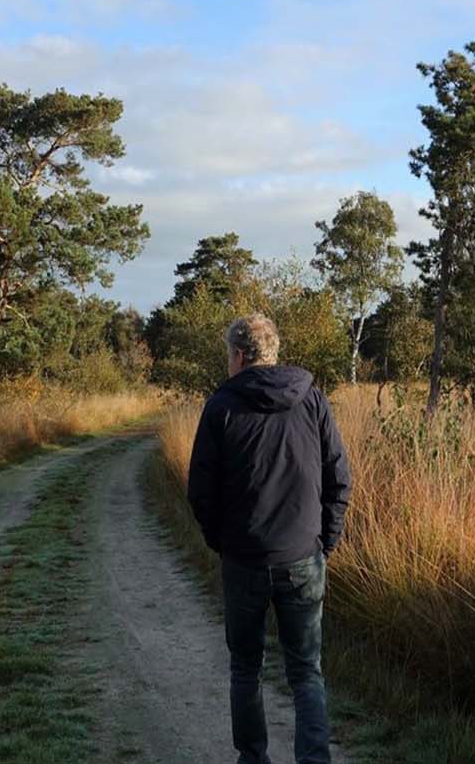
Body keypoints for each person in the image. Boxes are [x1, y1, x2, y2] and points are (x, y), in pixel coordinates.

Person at [187, 313, 353, 764]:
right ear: (271, 352)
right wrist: (325, 541)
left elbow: (200, 490)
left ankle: (253, 758)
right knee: (305, 672)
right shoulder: (313, 401)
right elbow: (339, 478)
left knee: (246, 668)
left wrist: (221, 540)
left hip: (244, 559)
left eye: (228, 355)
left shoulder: (221, 406)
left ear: (239, 356)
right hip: (303, 556)